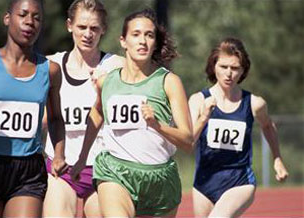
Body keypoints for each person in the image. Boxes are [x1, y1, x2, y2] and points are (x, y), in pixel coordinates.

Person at [70, 8, 193, 217]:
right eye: (136, 35)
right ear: (123, 41)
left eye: (149, 35)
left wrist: (158, 126)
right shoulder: (106, 81)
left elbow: (188, 140)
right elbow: (97, 113)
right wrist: (82, 157)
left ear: (155, 42)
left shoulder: (169, 82)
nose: (142, 41)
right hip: (115, 172)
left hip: (159, 179)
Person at [0, 0, 66, 217]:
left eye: (36, 18)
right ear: (8, 19)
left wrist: (60, 154)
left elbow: (55, 119)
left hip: (28, 171)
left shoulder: (50, 70)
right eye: (23, 14)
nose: (29, 22)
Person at [188, 37, 289, 217]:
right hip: (204, 181)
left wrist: (277, 159)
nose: (229, 73)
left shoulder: (254, 104)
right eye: (223, 67)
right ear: (214, 66)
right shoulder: (198, 100)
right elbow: (188, 141)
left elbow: (267, 125)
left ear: (243, 71)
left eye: (235, 68)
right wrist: (203, 117)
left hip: (239, 180)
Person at [42, 0, 124, 217]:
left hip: (103, 170)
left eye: (94, 28)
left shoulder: (118, 66)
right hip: (61, 167)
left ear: (103, 29)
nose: (88, 34)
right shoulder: (50, 65)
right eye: (82, 27)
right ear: (69, 25)